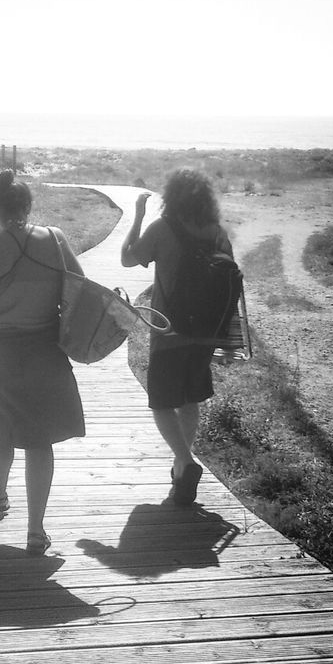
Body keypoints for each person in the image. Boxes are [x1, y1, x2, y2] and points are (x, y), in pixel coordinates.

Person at [0, 170, 86, 554]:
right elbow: (80, 287)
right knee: (40, 442)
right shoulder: (55, 239)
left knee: (0, 431)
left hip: (2, 353)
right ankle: (36, 530)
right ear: (28, 205)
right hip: (46, 353)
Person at [120, 168, 234, 506]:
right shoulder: (218, 234)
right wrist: (226, 338)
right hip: (205, 334)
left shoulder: (163, 228)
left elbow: (127, 258)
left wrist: (138, 216)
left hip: (170, 333)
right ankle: (180, 469)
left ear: (172, 196)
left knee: (160, 403)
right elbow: (228, 286)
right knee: (189, 401)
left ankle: (184, 461)